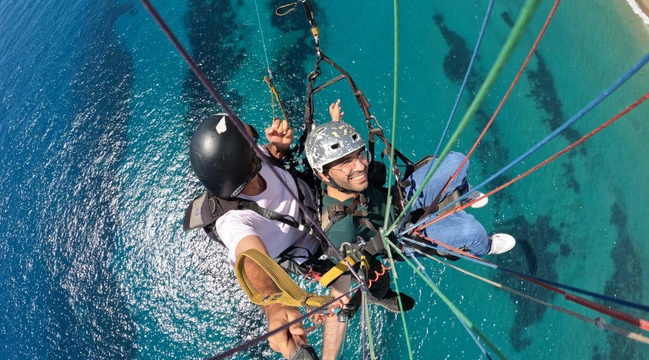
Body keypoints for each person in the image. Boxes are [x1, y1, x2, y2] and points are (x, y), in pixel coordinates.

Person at [306, 101, 516, 360]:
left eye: (359, 154)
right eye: (345, 162)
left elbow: (340, 159)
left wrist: (335, 124)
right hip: (403, 235)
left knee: (458, 162)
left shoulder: (337, 176)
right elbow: (338, 294)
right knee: (471, 232)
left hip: (398, 198)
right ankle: (486, 247)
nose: (360, 166)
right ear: (323, 174)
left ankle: (460, 193)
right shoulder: (340, 231)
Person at [186, 113, 327, 359]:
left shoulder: (246, 163)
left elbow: (269, 160)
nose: (257, 139)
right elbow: (250, 257)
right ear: (251, 163)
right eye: (254, 139)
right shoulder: (232, 221)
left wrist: (278, 149)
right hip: (307, 247)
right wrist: (275, 305)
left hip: (311, 199)